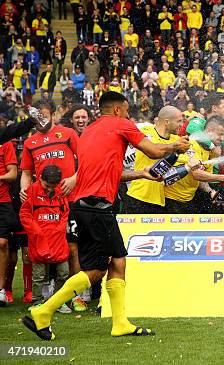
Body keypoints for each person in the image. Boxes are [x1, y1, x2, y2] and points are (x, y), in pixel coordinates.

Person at [22, 91, 190, 340]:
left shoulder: (89, 131)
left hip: (85, 206)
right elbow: (154, 151)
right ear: (117, 110)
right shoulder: (121, 124)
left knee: (116, 261)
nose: (128, 115)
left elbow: (110, 172)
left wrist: (141, 174)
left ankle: (120, 323)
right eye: (126, 110)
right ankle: (43, 311)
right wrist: (176, 145)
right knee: (99, 269)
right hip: (99, 207)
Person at [19, 165, 70, 311]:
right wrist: (38, 233)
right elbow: (25, 215)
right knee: (39, 276)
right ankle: (37, 302)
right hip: (38, 242)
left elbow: (65, 212)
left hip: (58, 241)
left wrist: (58, 230)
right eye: (47, 186)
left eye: (53, 187)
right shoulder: (31, 192)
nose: (50, 189)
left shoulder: (61, 191)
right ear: (39, 178)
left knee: (64, 273)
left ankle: (58, 301)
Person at [0, 136, 18, 306]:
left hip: (3, 201)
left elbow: (13, 173)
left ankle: (1, 290)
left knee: (3, 243)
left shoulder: (5, 143)